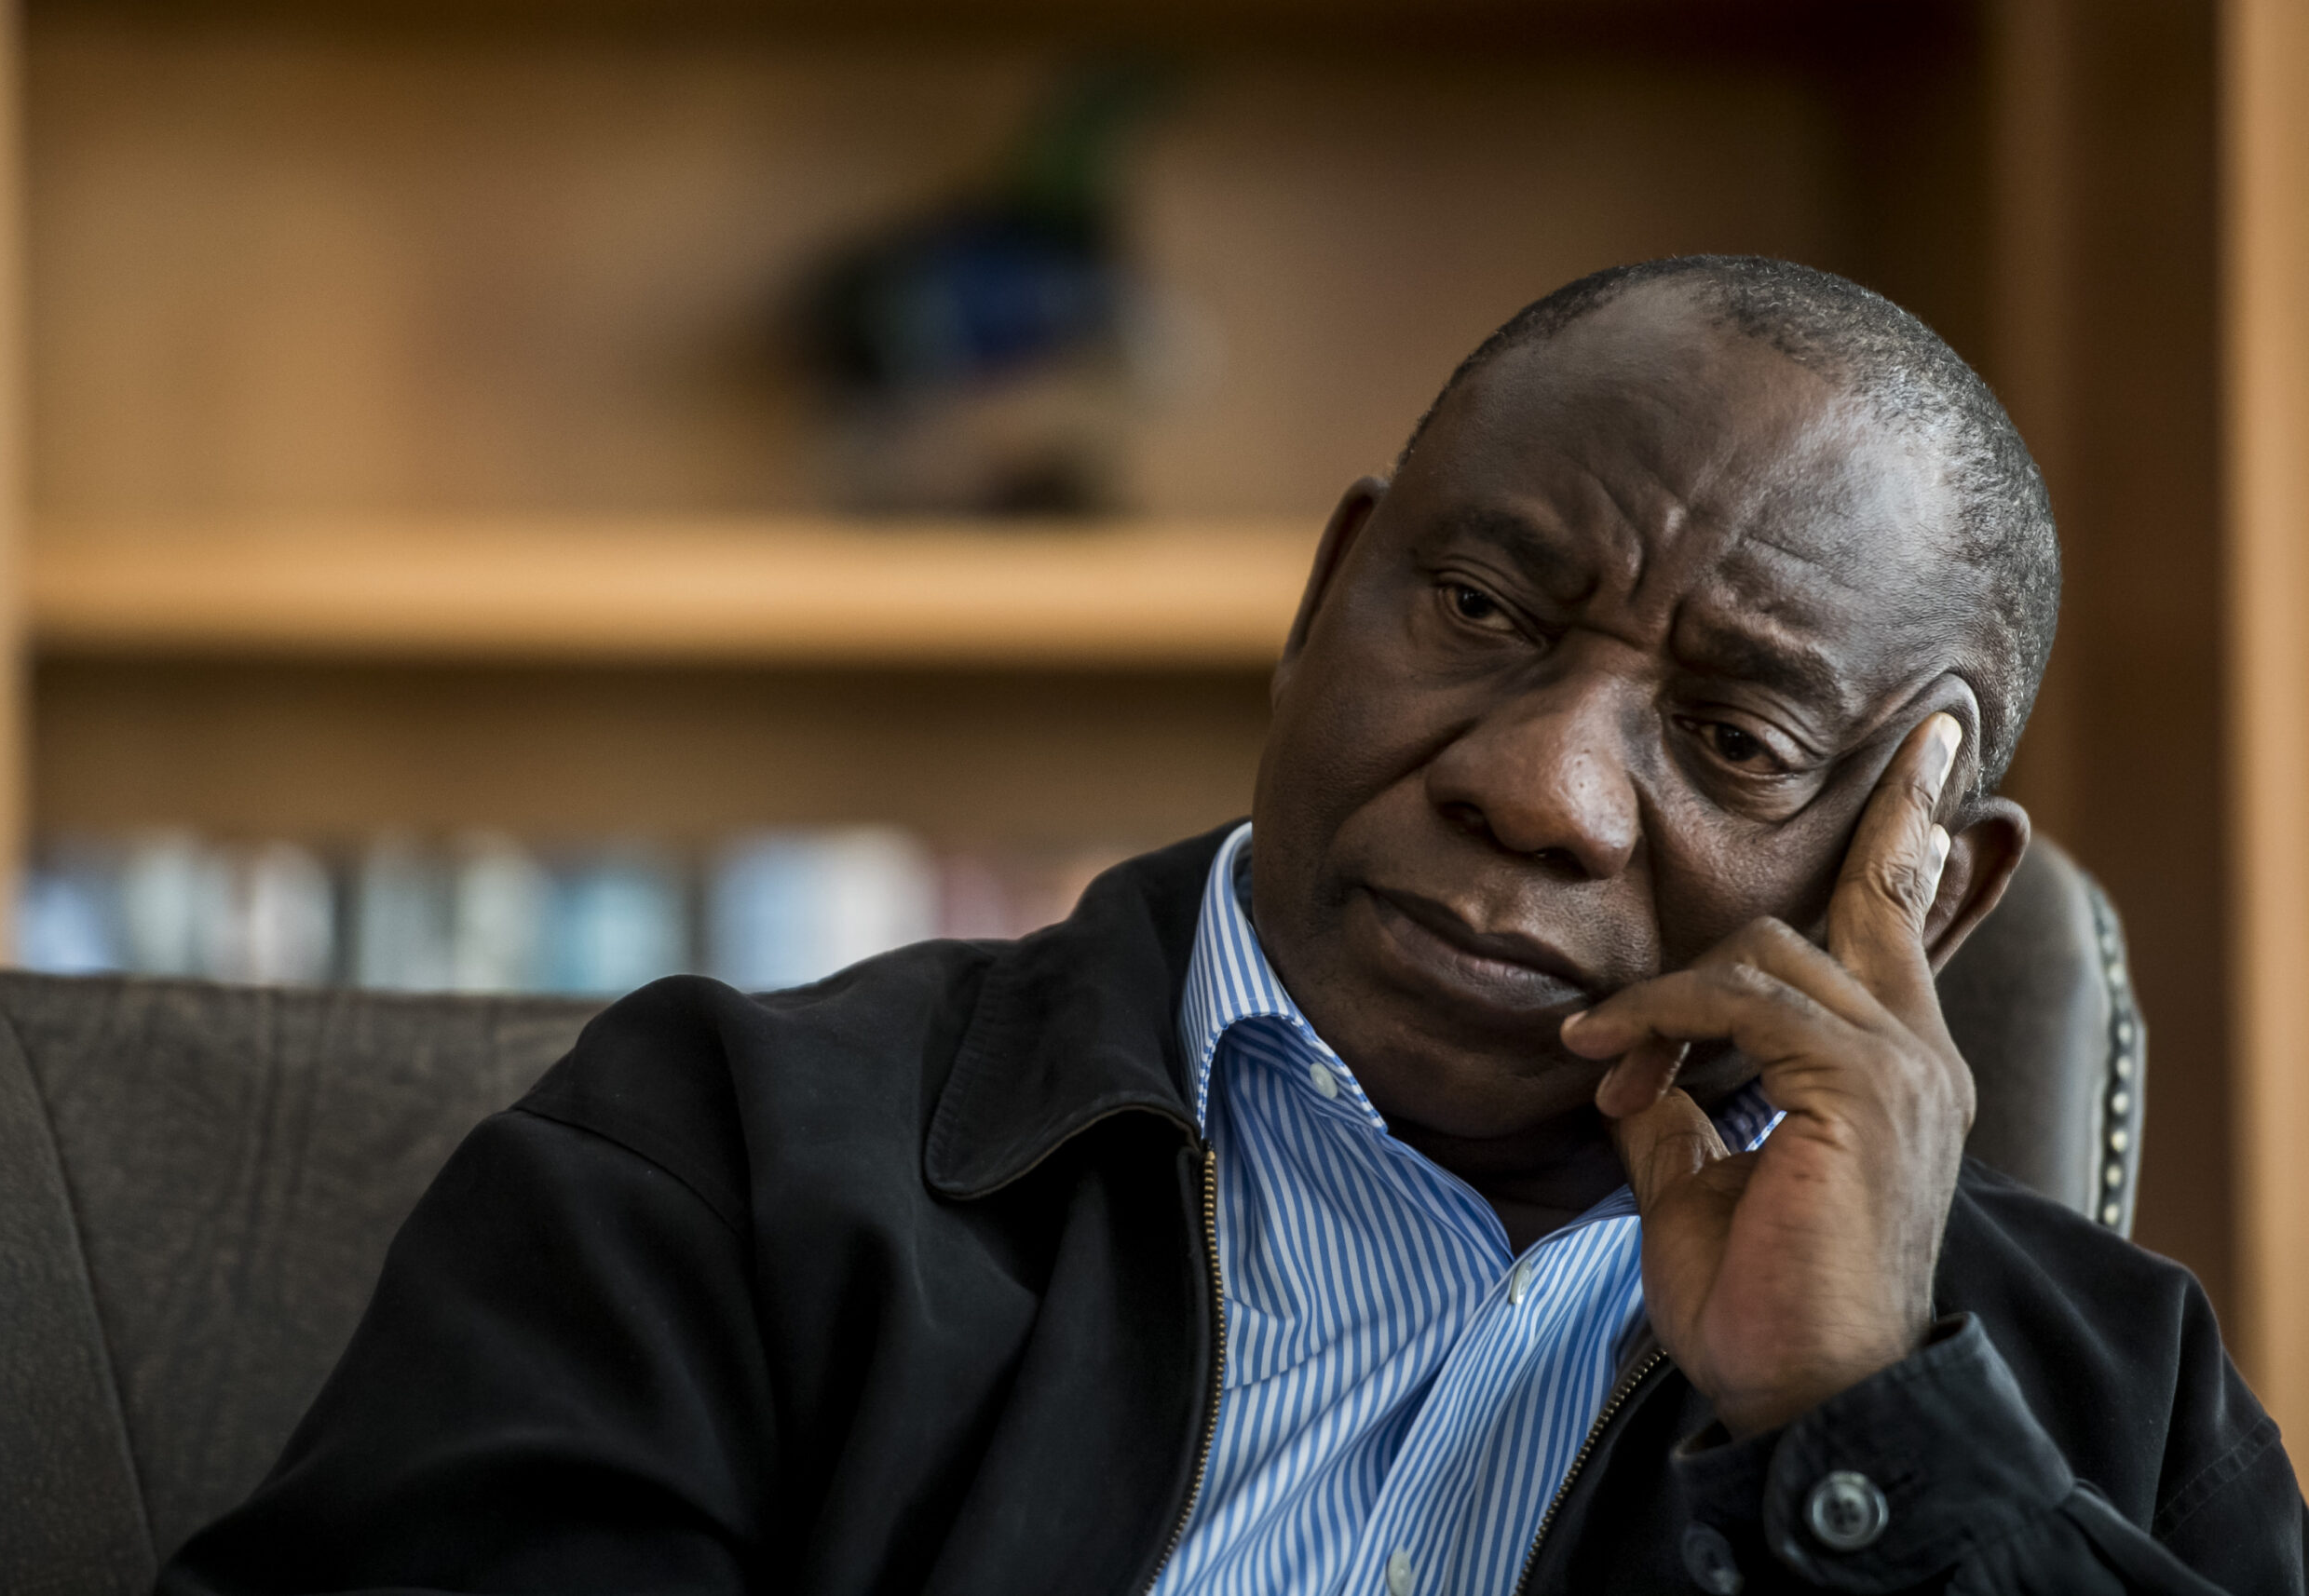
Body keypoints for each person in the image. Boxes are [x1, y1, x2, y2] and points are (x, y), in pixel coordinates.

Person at [156, 258, 2306, 1595]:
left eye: (1731, 737)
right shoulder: (719, 1159)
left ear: (1924, 886)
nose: (1537, 784)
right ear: (1324, 596)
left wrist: (1863, 1433)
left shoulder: (2111, 1410)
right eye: (1479, 608)